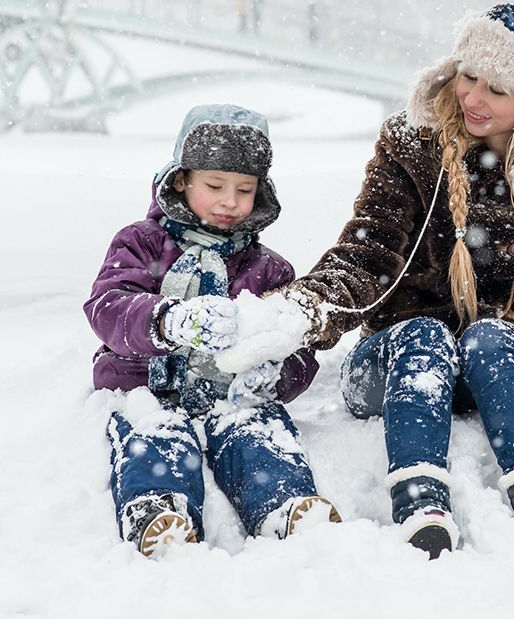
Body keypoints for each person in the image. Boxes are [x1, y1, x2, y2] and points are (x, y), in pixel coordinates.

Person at [271, 4, 514, 558]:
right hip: (399, 363)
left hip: (501, 367)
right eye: (469, 76)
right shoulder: (411, 143)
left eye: (497, 90)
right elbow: (368, 252)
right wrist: (302, 309)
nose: (473, 99)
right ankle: (420, 503)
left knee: (494, 336)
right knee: (425, 337)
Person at [85, 104, 339, 558]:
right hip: (145, 385)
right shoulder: (141, 243)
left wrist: (276, 373)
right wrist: (168, 320)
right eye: (215, 186)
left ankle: (284, 504)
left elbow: (297, 346)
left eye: (244, 189)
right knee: (156, 433)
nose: (230, 202)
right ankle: (159, 508)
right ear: (181, 180)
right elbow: (108, 306)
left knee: (258, 431)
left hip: (231, 395)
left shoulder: (269, 269)